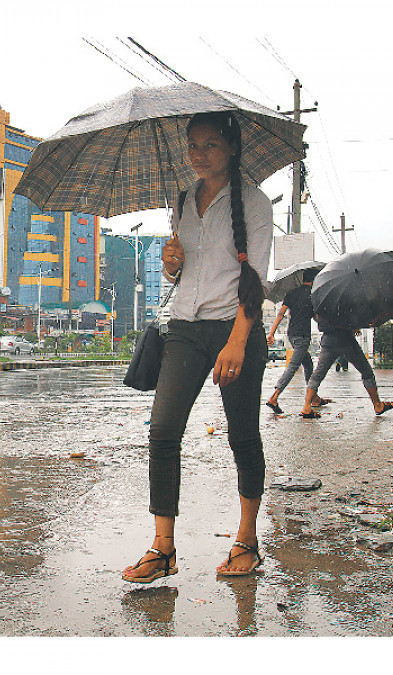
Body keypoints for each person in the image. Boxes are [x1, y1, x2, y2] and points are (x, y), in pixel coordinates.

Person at [122, 111, 273, 583]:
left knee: (242, 434)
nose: (198, 154)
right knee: (163, 431)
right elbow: (180, 271)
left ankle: (246, 539)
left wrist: (237, 342)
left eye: (209, 144)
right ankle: (163, 548)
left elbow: (256, 280)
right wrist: (170, 263)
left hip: (236, 327)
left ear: (231, 148)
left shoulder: (253, 203)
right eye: (192, 145)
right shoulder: (184, 200)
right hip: (184, 327)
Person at [300, 319, 393, 418]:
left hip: (328, 340)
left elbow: (318, 318)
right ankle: (377, 405)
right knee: (366, 372)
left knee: (318, 374)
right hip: (347, 341)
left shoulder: (323, 304)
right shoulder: (346, 303)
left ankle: (307, 406)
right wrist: (355, 326)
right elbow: (353, 317)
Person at [264, 269, 328, 414]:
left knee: (308, 363)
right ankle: (274, 397)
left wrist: (271, 333)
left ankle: (315, 397)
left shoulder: (292, 293)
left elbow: (281, 314)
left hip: (291, 334)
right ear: (314, 281)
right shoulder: (313, 295)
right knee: (293, 367)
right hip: (303, 336)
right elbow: (317, 318)